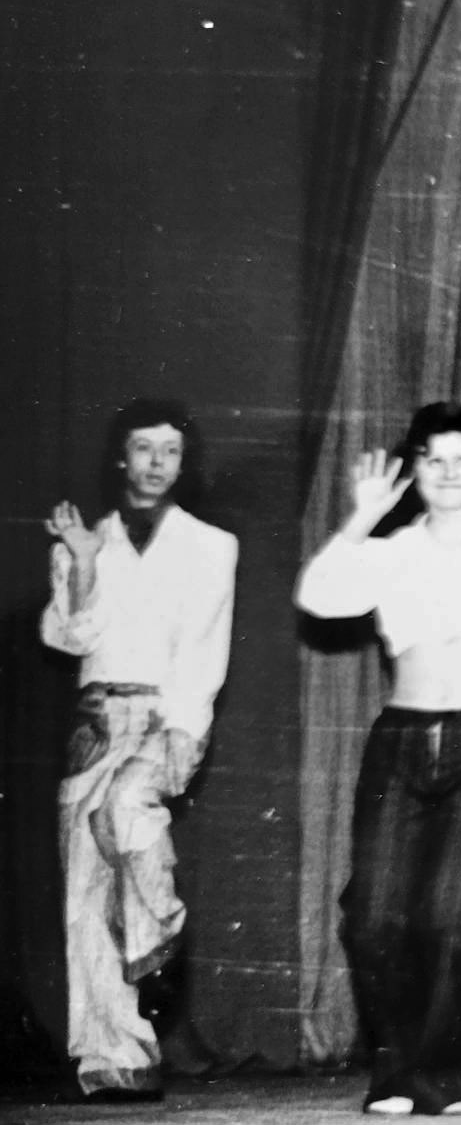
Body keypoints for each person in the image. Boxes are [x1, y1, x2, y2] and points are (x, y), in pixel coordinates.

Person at [296, 403, 461, 1116]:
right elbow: (317, 598)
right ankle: (396, 1072)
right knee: (373, 918)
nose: (447, 472)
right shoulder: (389, 552)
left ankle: (446, 1074)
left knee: (455, 921)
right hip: (402, 743)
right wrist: (359, 520)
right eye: (433, 459)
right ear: (413, 471)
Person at [42, 398, 237, 1102]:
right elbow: (72, 638)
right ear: (121, 457)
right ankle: (116, 1058)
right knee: (86, 893)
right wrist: (83, 563)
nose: (156, 463)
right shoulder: (84, 539)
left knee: (127, 807)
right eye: (144, 448)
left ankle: (161, 927)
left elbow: (205, 650)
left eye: (170, 451)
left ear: (185, 464)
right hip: (96, 720)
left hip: (165, 714)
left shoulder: (212, 545)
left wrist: (182, 732)